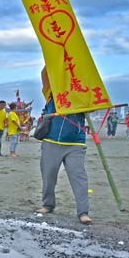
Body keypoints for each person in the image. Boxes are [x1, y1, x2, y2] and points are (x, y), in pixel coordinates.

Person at [36, 67, 91, 224]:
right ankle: (48, 204)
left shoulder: (83, 93)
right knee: (48, 176)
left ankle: (83, 212)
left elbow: (93, 108)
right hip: (51, 140)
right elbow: (44, 74)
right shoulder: (51, 92)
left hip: (75, 142)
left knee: (79, 177)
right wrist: (54, 59)